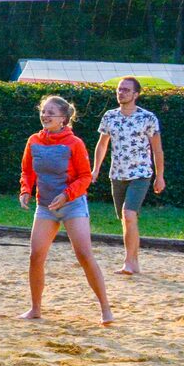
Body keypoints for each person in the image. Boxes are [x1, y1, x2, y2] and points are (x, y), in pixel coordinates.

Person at [22, 95, 114, 324]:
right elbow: (27, 171)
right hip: (45, 206)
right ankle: (35, 309)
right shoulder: (34, 140)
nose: (45, 116)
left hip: (72, 204)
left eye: (50, 113)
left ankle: (105, 308)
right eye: (44, 111)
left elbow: (85, 177)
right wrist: (25, 190)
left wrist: (66, 195)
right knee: (36, 256)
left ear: (63, 118)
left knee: (84, 254)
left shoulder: (75, 143)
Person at [91, 76, 166, 275]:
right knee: (125, 219)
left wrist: (160, 176)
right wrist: (96, 169)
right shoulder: (109, 116)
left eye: (125, 90)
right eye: (119, 89)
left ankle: (129, 262)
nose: (121, 92)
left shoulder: (148, 118)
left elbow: (157, 150)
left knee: (129, 214)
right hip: (117, 174)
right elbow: (102, 144)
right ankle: (134, 262)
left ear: (136, 94)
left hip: (141, 173)